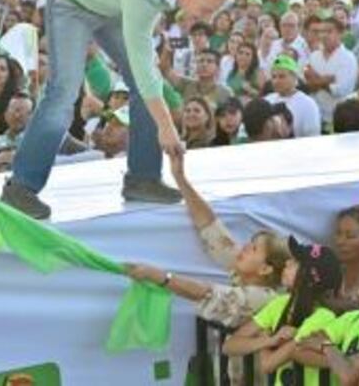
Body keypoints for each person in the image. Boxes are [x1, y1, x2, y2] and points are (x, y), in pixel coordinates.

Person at [3, 0, 234, 219]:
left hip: (112, 3)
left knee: (144, 84)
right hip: (72, 1)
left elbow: (145, 75)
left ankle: (143, 178)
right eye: (205, 9)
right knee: (63, 92)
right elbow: (144, 68)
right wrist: (166, 128)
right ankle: (20, 188)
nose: (208, 19)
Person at [125, 157, 289, 330]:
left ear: (265, 269)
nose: (245, 247)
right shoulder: (248, 274)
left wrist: (160, 276)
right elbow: (210, 227)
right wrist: (180, 177)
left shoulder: (265, 297)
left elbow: (205, 293)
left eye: (254, 249)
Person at [223, 237, 342, 384]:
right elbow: (230, 345)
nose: (287, 262)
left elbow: (268, 364)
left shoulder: (323, 317)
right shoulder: (280, 303)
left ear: (309, 276)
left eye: (295, 262)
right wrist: (268, 340)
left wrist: (266, 338)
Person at [304, 17, 358, 129]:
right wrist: (328, 79)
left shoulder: (348, 58)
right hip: (316, 117)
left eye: (329, 31)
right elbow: (308, 85)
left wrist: (316, 79)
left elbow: (341, 90)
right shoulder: (314, 56)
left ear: (340, 34)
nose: (324, 35)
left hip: (338, 119)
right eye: (322, 32)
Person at [264, 55, 322, 138]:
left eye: (282, 76)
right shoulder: (267, 100)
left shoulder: (308, 104)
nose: (276, 81)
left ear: (295, 78)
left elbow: (313, 138)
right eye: (274, 77)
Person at [0, 91, 34, 175]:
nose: (17, 115)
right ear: (6, 115)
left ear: (32, 116)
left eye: (23, 112)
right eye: (14, 111)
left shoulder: (39, 142)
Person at [164, 48, 234, 108]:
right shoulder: (185, 84)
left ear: (218, 69)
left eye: (209, 61)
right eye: (201, 61)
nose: (204, 64)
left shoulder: (225, 93)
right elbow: (167, 71)